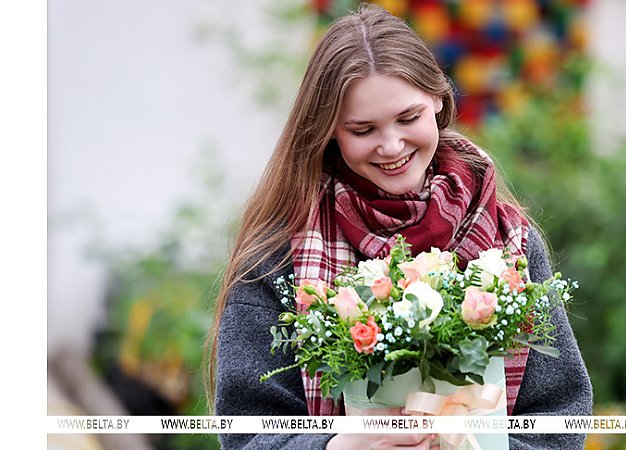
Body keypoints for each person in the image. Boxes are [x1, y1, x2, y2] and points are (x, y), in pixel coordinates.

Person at [206, 4, 593, 449]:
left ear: (439, 99)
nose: (391, 146)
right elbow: (248, 434)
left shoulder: (509, 241)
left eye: (408, 119)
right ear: (329, 130)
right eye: (363, 130)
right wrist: (339, 446)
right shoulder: (277, 256)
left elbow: (560, 418)